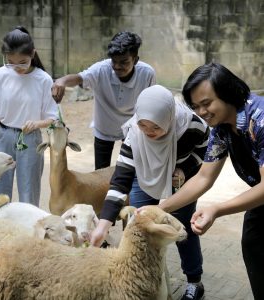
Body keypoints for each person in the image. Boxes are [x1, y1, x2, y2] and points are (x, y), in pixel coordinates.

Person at [153, 62, 264, 300]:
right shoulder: (222, 127)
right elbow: (203, 177)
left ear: (228, 93)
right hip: (260, 200)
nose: (202, 112)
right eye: (196, 107)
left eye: (206, 103)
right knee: (254, 246)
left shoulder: (260, 119)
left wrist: (216, 209)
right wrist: (159, 209)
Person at [90, 85, 210, 300]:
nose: (148, 132)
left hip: (180, 179)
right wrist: (103, 224)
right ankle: (144, 279)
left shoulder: (191, 126)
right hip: (145, 174)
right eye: (142, 125)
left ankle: (194, 281)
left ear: (169, 119)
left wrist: (186, 168)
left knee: (182, 227)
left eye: (155, 127)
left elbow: (205, 148)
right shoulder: (135, 134)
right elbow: (120, 180)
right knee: (137, 225)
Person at [52, 31, 156, 170]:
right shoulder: (101, 69)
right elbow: (80, 78)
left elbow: (151, 103)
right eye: (114, 61)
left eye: (124, 62)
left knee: (132, 169)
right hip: (104, 127)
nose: (118, 66)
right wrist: (62, 81)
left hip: (133, 128)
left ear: (135, 60)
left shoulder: (147, 73)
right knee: (100, 171)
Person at [0, 26, 58, 207]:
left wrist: (37, 123)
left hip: (30, 138)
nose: (17, 68)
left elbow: (52, 117)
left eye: (23, 62)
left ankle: (28, 229)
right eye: (11, 62)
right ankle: (0, 225)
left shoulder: (43, 79)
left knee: (28, 188)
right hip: (3, 136)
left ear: (33, 54)